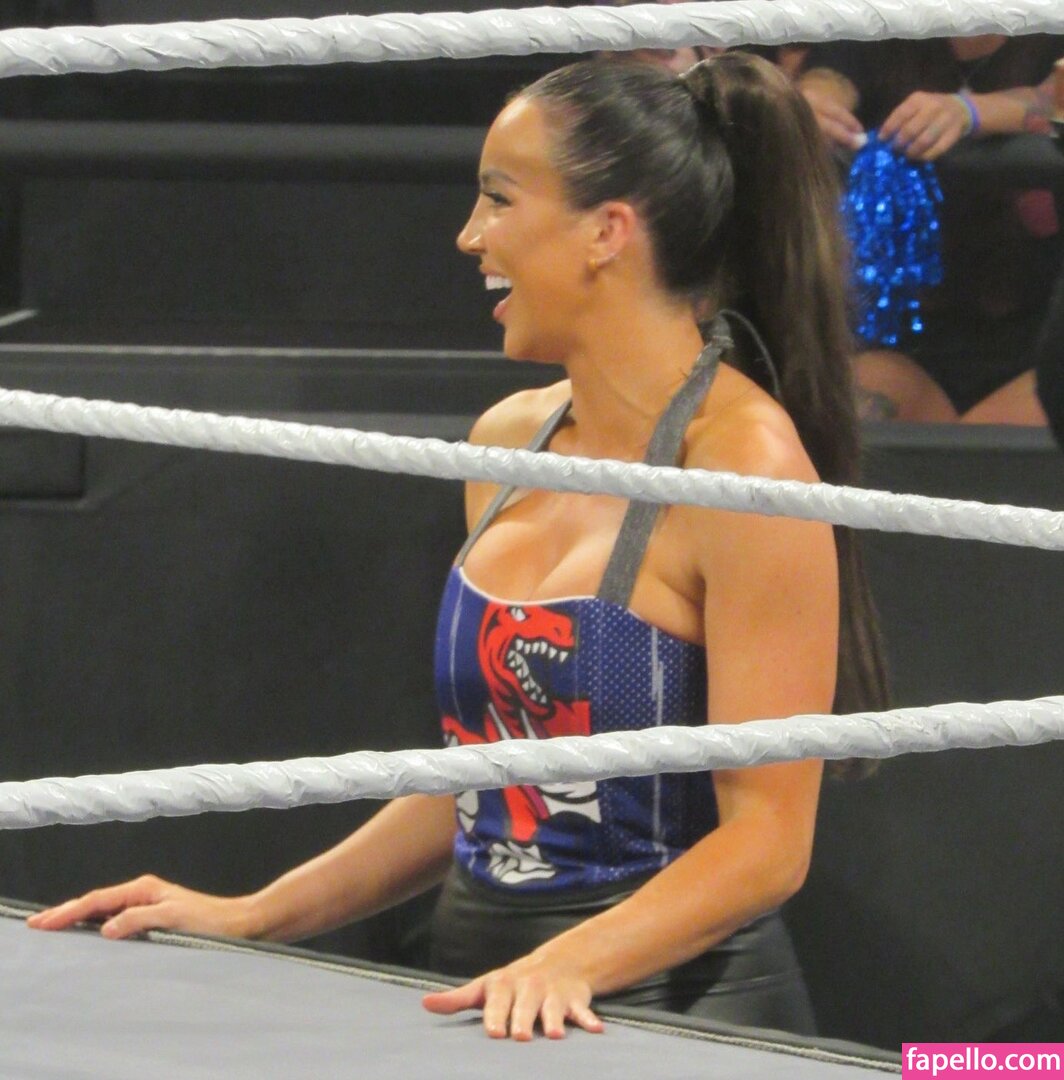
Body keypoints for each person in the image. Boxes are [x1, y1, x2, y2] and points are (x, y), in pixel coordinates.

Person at [27, 54, 887, 1041]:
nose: (470, 235)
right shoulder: (506, 441)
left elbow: (768, 843)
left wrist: (571, 961)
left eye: (499, 198)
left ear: (607, 231)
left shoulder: (745, 468)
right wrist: (254, 915)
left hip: (668, 1016)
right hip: (488, 996)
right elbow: (484, 783)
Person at [798, 35, 1064, 424]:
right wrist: (809, 105)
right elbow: (830, 74)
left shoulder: (1050, 28)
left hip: (1043, 334)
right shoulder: (883, 26)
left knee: (992, 449)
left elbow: (1053, 96)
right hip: (910, 335)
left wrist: (971, 111)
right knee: (847, 408)